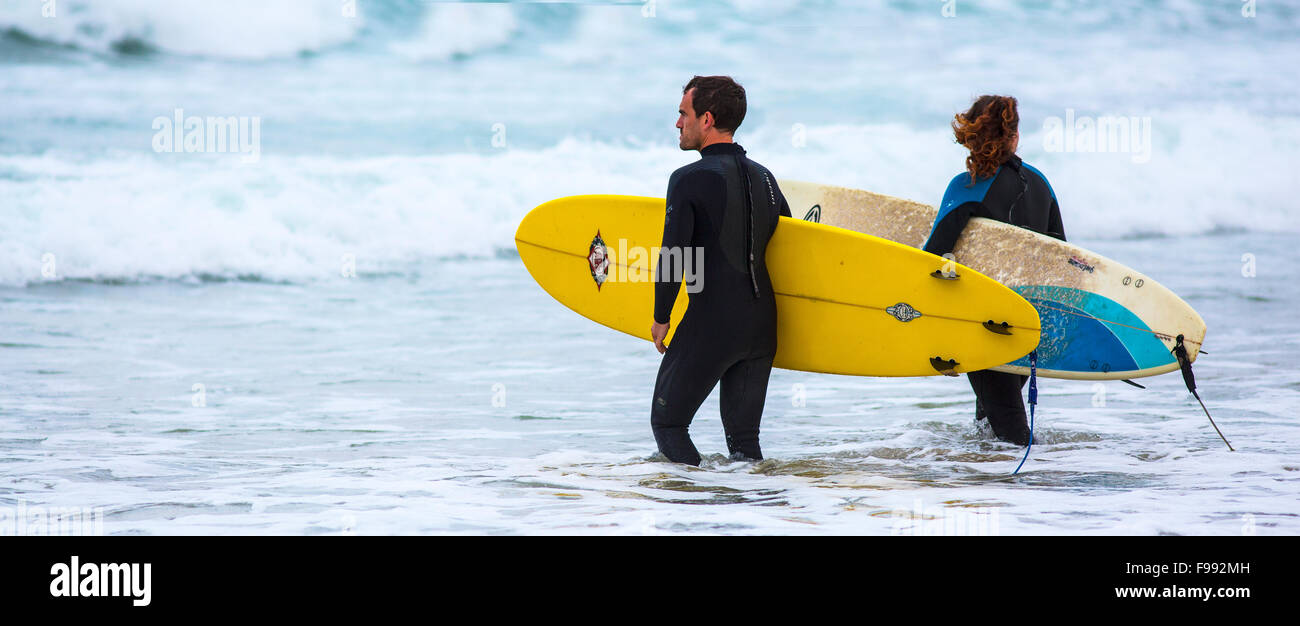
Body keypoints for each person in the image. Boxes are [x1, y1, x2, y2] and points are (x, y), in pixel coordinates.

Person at [649, 75, 792, 466]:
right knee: (745, 443)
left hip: (712, 322)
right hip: (762, 326)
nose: (678, 123)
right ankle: (751, 513)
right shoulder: (766, 178)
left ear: (706, 119)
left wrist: (662, 316)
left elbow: (674, 254)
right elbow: (789, 243)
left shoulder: (687, 180)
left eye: (683, 113)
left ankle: (698, 510)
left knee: (668, 424)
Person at [922, 95, 1065, 446]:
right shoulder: (1041, 184)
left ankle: (1031, 491)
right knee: (990, 429)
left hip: (983, 326)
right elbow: (1061, 257)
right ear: (1014, 137)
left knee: (1010, 434)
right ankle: (995, 491)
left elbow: (932, 259)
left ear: (970, 138)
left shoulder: (967, 187)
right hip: (1029, 323)